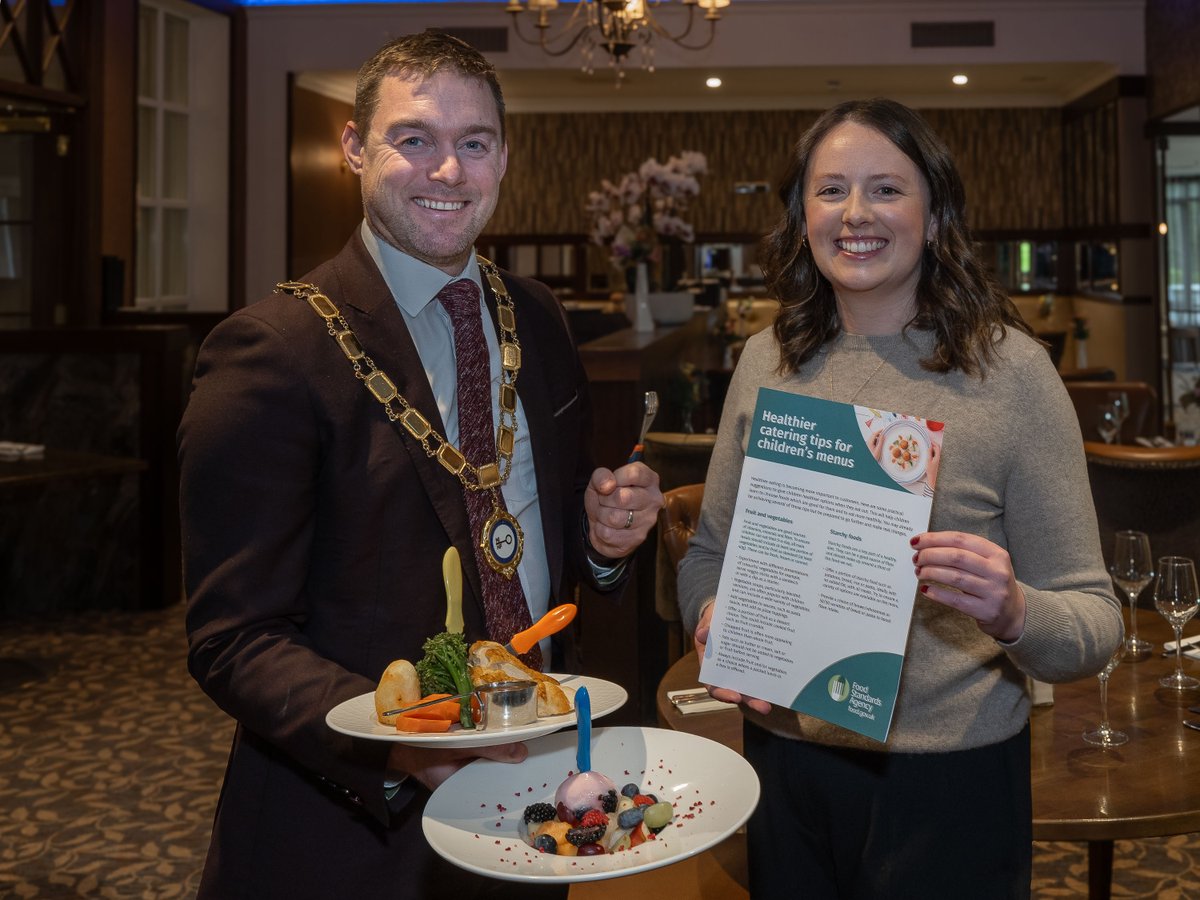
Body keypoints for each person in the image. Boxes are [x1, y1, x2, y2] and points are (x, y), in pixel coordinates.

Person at [178, 32, 662, 900]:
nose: (448, 170)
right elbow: (234, 639)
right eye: (415, 139)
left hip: (531, 795)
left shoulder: (539, 318)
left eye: (473, 143)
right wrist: (409, 745)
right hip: (353, 830)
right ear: (356, 149)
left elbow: (550, 539)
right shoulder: (270, 352)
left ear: (503, 158)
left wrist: (606, 542)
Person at [677, 98, 1122, 899]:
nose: (855, 214)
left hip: (950, 780)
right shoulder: (763, 362)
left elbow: (1094, 621)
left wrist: (1014, 609)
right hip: (784, 760)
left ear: (935, 210)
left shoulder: (1012, 374)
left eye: (886, 189)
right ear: (800, 213)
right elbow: (708, 558)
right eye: (830, 189)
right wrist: (714, 615)